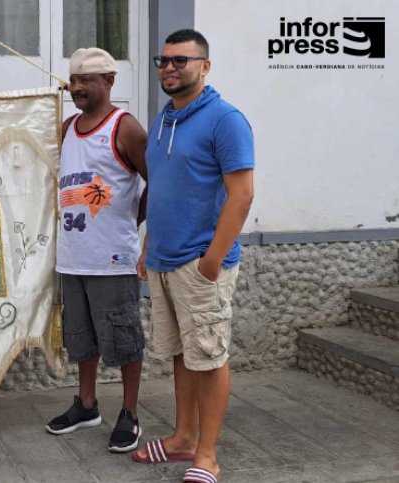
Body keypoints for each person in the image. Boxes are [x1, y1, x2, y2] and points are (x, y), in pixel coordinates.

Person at [132, 29, 254, 483]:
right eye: (163, 60)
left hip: (201, 264)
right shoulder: (164, 120)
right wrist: (149, 246)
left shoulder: (226, 120)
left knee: (210, 354)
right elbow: (163, 190)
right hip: (165, 259)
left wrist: (212, 260)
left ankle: (208, 455)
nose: (169, 67)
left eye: (180, 60)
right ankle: (182, 438)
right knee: (182, 354)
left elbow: (242, 196)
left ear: (205, 66)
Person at [46, 47, 149, 454]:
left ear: (109, 81)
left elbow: (154, 181)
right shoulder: (68, 127)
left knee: (124, 339)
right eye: (73, 79)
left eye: (87, 79)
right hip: (73, 255)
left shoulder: (126, 128)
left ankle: (129, 413)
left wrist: (131, 223)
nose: (77, 87)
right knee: (81, 338)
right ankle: (86, 404)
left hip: (112, 258)